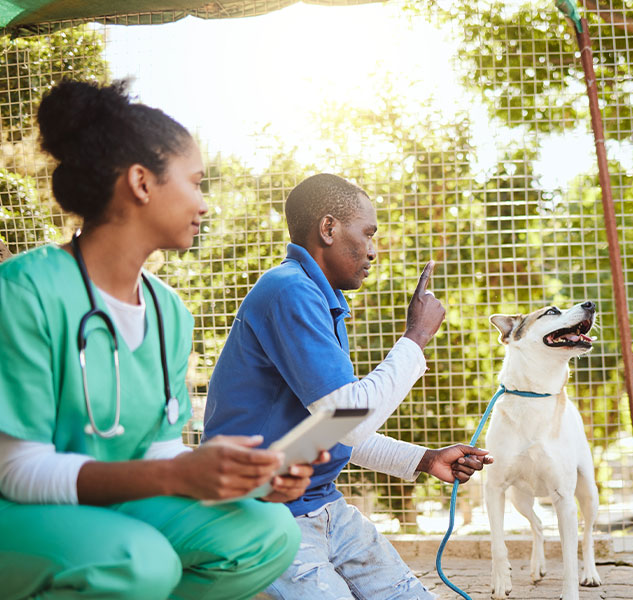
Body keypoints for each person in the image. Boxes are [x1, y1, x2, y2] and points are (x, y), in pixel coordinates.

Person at [0, 81, 319, 599]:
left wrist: (247, 480)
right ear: (141, 183)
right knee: (139, 565)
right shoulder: (24, 291)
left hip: (117, 506)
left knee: (268, 533)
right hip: (17, 512)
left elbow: (159, 450)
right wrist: (176, 478)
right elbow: (18, 472)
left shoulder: (169, 311)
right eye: (196, 183)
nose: (205, 204)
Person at [204, 173, 492, 600]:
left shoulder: (319, 299)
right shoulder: (290, 292)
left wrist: (425, 460)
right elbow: (347, 421)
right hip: (263, 514)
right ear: (328, 228)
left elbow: (328, 431)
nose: (373, 250)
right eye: (368, 233)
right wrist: (414, 339)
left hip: (322, 505)